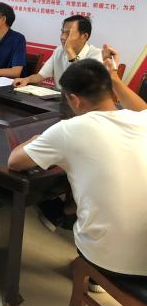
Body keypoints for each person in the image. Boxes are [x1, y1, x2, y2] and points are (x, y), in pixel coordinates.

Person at [8, 59, 147, 282]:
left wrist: (35, 139)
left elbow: (14, 162)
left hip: (108, 260)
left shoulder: (69, 129)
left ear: (74, 100)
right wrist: (114, 78)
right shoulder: (141, 120)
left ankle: (97, 275)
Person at [14, 15, 102, 89]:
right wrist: (27, 79)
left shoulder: (96, 55)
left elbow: (83, 83)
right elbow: (40, 76)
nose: (63, 37)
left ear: (84, 36)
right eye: (62, 32)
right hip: (61, 99)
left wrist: (70, 50)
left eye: (68, 33)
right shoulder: (59, 50)